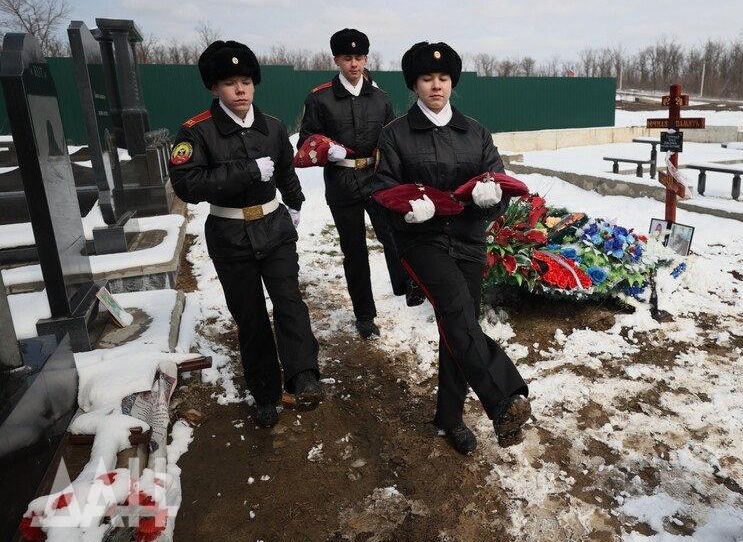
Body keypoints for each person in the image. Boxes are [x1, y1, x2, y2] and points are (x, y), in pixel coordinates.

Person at [371, 41, 531, 455]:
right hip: (421, 240)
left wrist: (491, 200)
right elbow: (380, 192)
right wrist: (407, 212)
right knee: (458, 310)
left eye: (443, 79)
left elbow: (497, 181)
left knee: (458, 327)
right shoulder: (395, 134)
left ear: (452, 83)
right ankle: (503, 399)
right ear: (414, 85)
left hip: (468, 237)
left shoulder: (475, 131)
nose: (436, 86)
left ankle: (450, 417)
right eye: (427, 79)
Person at [168, 40, 324, 428]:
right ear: (214, 89)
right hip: (229, 233)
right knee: (250, 316)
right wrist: (249, 171)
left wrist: (295, 204)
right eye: (230, 83)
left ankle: (304, 376)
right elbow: (187, 184)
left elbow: (286, 169)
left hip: (274, 228)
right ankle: (266, 392)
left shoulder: (271, 126)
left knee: (289, 301)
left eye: (246, 81)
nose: (240, 90)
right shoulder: (196, 133)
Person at [297, 28, 421, 341]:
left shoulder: (379, 98)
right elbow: (305, 140)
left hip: (376, 179)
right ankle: (365, 316)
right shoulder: (320, 98)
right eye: (347, 57)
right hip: (342, 183)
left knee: (393, 232)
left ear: (366, 58)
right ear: (336, 59)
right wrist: (327, 149)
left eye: (359, 57)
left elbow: (393, 138)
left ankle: (406, 285)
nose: (354, 64)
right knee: (355, 251)